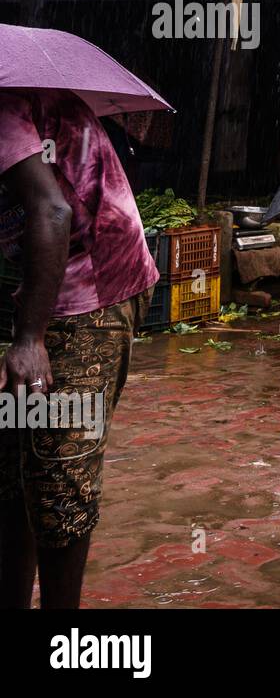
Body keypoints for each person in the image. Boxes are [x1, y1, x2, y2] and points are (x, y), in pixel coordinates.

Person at [0, 89, 159, 609]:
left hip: (93, 288)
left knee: (58, 471)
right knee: (12, 468)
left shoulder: (2, 108)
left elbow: (51, 209)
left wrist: (29, 339)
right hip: (27, 281)